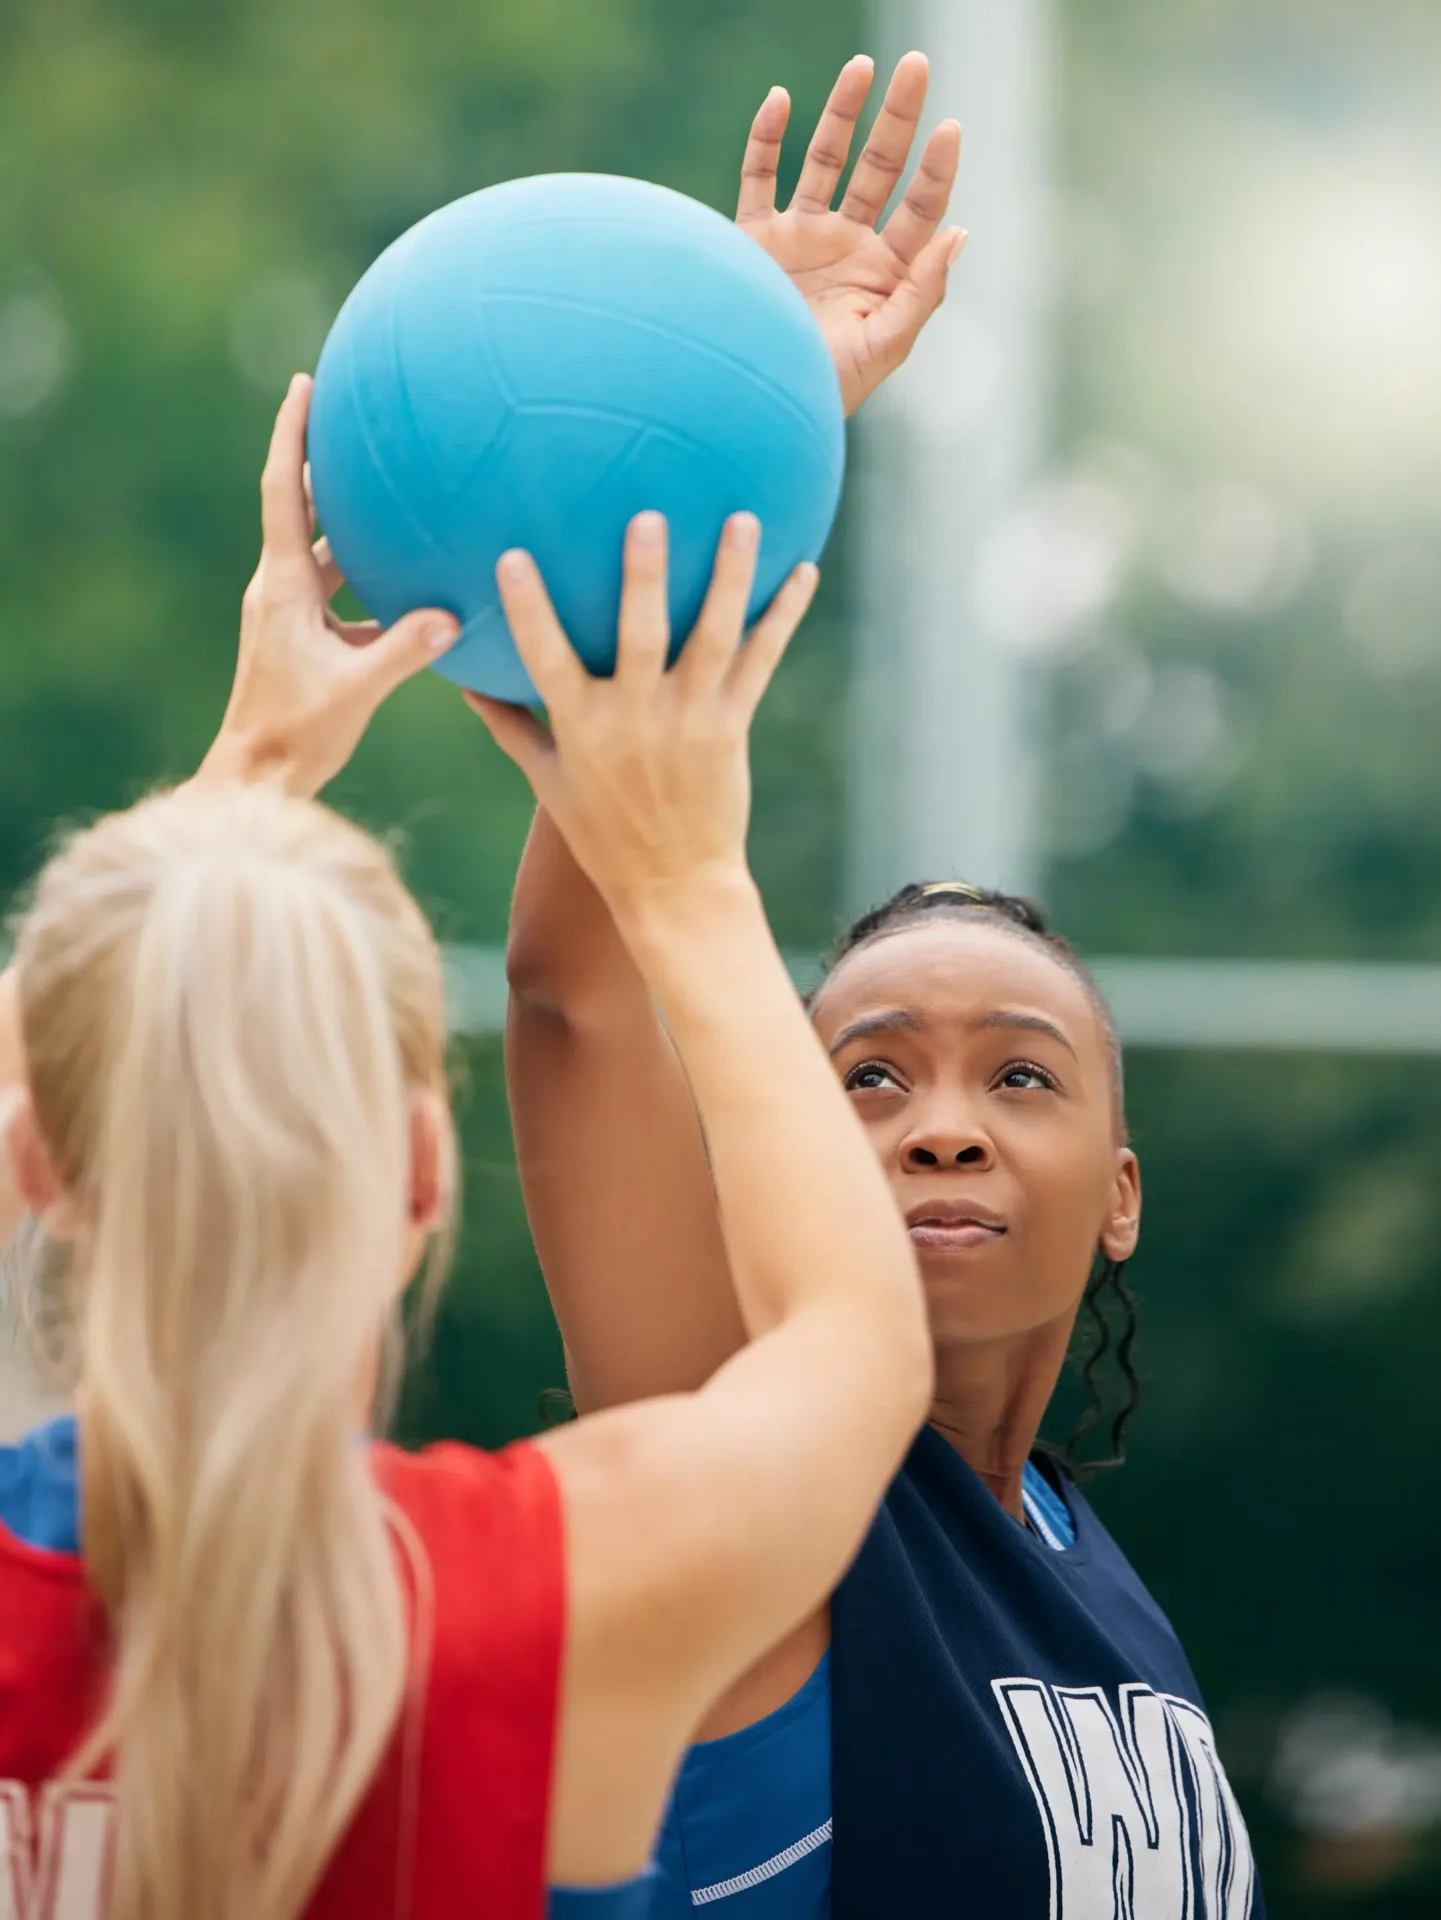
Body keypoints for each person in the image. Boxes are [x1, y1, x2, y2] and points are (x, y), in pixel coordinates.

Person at [0, 375, 933, 1920]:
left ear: (41, 1162)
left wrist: (253, 758)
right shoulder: (545, 1600)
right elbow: (858, 1342)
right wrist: (686, 875)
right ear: (428, 1169)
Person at [501, 59, 1264, 1920]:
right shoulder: (768, 1469)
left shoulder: (1101, 1584)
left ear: (1123, 1193)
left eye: (1020, 1078)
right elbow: (575, 1004)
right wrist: (734, 426)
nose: (937, 1127)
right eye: (863, 1077)